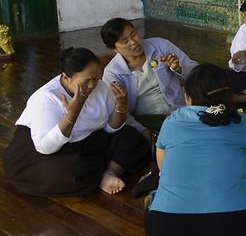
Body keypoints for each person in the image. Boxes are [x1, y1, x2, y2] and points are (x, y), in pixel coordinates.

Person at [144, 64, 246, 236]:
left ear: (188, 96)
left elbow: (163, 169)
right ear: (228, 95)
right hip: (232, 235)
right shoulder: (241, 121)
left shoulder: (171, 122)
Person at [3, 48, 149, 196]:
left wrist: (121, 106)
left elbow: (111, 129)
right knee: (71, 171)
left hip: (90, 139)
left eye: (96, 77)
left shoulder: (100, 86)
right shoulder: (45, 98)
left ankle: (110, 171)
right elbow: (45, 147)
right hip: (49, 149)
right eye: (87, 81)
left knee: (133, 138)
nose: (93, 85)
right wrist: (71, 116)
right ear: (67, 78)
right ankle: (100, 176)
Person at [101, 18, 198, 134]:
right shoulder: (113, 72)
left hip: (179, 111)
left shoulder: (161, 46)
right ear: (114, 49)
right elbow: (118, 111)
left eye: (133, 34)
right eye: (125, 41)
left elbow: (197, 72)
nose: (133, 42)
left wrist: (178, 68)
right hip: (146, 121)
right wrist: (142, 130)